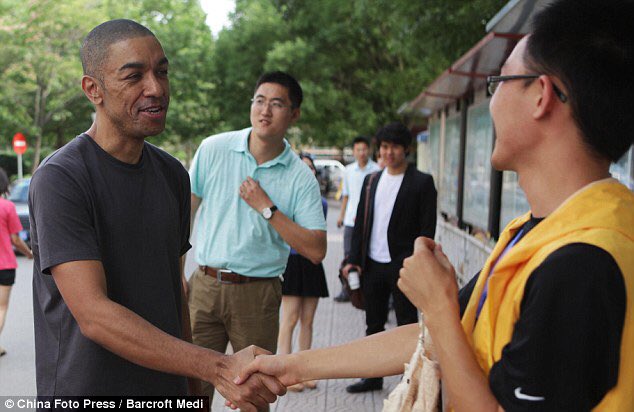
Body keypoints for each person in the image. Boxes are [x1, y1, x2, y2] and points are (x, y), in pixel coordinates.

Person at [235, 1, 634, 410]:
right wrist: (291, 366)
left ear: (541, 96)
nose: (493, 102)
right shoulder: (540, 232)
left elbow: (447, 335)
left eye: (500, 82)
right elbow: (431, 338)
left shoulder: (582, 263)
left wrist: (438, 306)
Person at [29, 19, 285, 410]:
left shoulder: (172, 174)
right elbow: (94, 314)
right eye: (134, 76)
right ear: (93, 89)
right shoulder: (61, 178)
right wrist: (216, 366)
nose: (156, 88)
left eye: (161, 72)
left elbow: (174, 291)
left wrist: (193, 390)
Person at [187, 70, 327, 401]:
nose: (265, 110)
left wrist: (268, 209)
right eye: (259, 101)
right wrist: (175, 273)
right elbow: (184, 214)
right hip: (204, 286)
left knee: (254, 395)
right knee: (191, 389)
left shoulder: (300, 176)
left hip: (257, 293)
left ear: (294, 114)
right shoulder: (214, 148)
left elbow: (316, 249)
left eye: (276, 104)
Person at [342, 122, 437, 393]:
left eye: (395, 147)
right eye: (384, 147)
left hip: (403, 266)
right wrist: (353, 259)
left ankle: (411, 381)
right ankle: (373, 377)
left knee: (407, 325)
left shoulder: (421, 182)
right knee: (373, 323)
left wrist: (419, 263)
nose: (389, 152)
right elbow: (361, 222)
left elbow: (427, 229)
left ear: (406, 149)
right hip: (373, 264)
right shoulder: (372, 181)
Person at [277, 153, 329, 392]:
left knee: (308, 320)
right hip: (291, 261)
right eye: (302, 167)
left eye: (310, 168)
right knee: (289, 319)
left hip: (312, 263)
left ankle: (304, 372)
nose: (307, 171)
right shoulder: (285, 200)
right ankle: (284, 372)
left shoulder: (322, 202)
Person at [334, 136, 380, 302]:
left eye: (364, 149)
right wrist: (341, 216)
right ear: (353, 151)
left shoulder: (377, 170)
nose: (361, 153)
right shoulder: (348, 171)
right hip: (350, 221)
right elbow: (345, 195)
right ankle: (347, 290)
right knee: (348, 255)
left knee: (368, 256)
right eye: (358, 149)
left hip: (369, 221)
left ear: (369, 150)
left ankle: (367, 291)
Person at [0, 168, 33, 357]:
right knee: (1, 307)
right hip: (5, 265)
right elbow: (16, 239)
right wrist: (29, 253)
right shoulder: (7, 207)